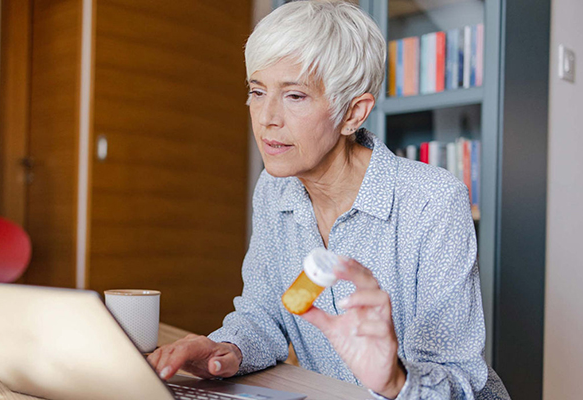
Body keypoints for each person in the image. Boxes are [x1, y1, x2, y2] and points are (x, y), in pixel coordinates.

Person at [147, 1, 510, 399]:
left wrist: (395, 381)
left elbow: (459, 376)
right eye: (257, 90)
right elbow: (265, 315)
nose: (267, 117)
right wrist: (226, 349)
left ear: (353, 113)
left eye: (295, 96)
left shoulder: (433, 202)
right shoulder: (274, 190)